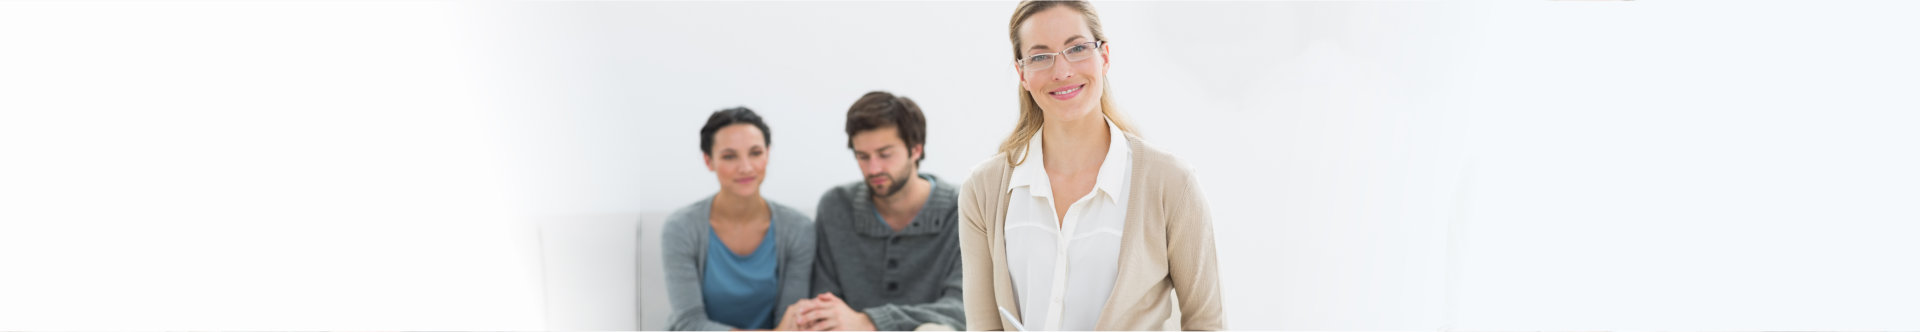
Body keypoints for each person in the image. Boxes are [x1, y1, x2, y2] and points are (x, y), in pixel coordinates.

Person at [957, 1, 1226, 330]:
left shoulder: (1170, 183)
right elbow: (984, 325)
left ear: (1105, 57)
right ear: (1022, 73)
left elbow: (1206, 323)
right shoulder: (984, 189)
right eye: (1040, 56)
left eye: (1077, 48)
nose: (1062, 71)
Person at [791, 92, 965, 331]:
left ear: (915, 150)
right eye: (862, 157)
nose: (873, 169)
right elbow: (825, 303)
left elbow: (962, 309)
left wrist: (868, 322)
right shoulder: (836, 206)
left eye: (885, 154)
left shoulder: (962, 208)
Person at [663, 107, 815, 331]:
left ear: (768, 153)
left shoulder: (798, 229)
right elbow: (689, 323)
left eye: (755, 153)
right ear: (708, 161)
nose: (745, 167)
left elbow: (792, 319)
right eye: (729, 156)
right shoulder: (681, 228)